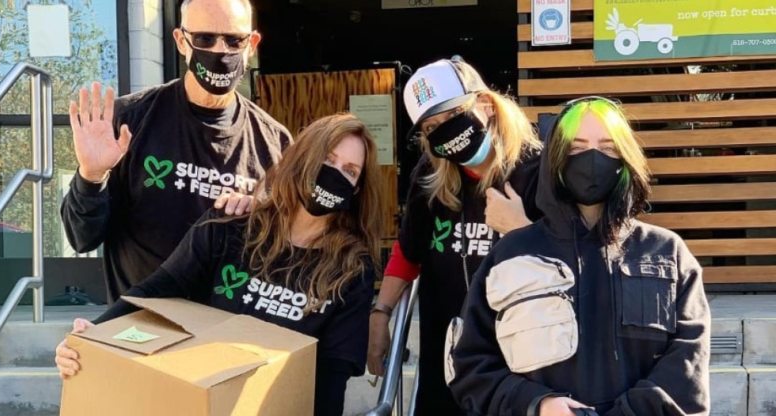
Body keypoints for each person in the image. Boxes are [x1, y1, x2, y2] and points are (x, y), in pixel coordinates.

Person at [55, 114, 382, 415]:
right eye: (328, 159)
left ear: (356, 189)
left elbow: (330, 376)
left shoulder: (352, 270)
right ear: (303, 158)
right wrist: (94, 337)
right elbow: (158, 289)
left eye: (350, 171)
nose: (335, 173)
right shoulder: (231, 226)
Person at [447, 97, 710, 415]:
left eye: (608, 147)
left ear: (626, 157)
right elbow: (471, 365)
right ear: (556, 157)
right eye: (577, 147)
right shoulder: (511, 255)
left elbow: (687, 363)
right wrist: (536, 405)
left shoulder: (667, 253)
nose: (593, 158)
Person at [60, 0, 291, 303]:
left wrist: (264, 215)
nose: (220, 51)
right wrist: (91, 176)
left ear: (252, 44)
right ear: (181, 41)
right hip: (142, 331)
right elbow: (82, 239)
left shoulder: (275, 144)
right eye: (204, 39)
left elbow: (286, 253)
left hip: (227, 336)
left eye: (234, 40)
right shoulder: (129, 122)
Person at [367, 57, 542, 414]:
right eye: (432, 126)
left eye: (451, 115)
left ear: (486, 105)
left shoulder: (537, 171)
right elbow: (410, 250)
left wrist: (521, 231)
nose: (444, 131)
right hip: (448, 355)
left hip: (523, 359)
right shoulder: (431, 175)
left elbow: (572, 263)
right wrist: (381, 313)